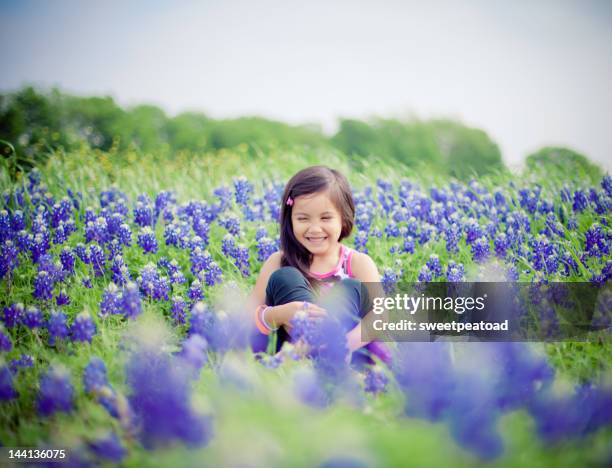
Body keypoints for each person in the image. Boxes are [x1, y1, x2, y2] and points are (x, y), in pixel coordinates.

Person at [248, 165, 391, 365]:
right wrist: (282, 314)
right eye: (303, 218)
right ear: (289, 220)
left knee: (352, 288)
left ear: (344, 218)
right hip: (287, 354)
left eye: (326, 217)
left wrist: (343, 345)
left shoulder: (358, 263)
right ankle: (297, 357)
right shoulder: (277, 262)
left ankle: (324, 358)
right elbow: (245, 319)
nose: (315, 228)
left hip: (341, 354)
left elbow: (380, 317)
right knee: (285, 277)